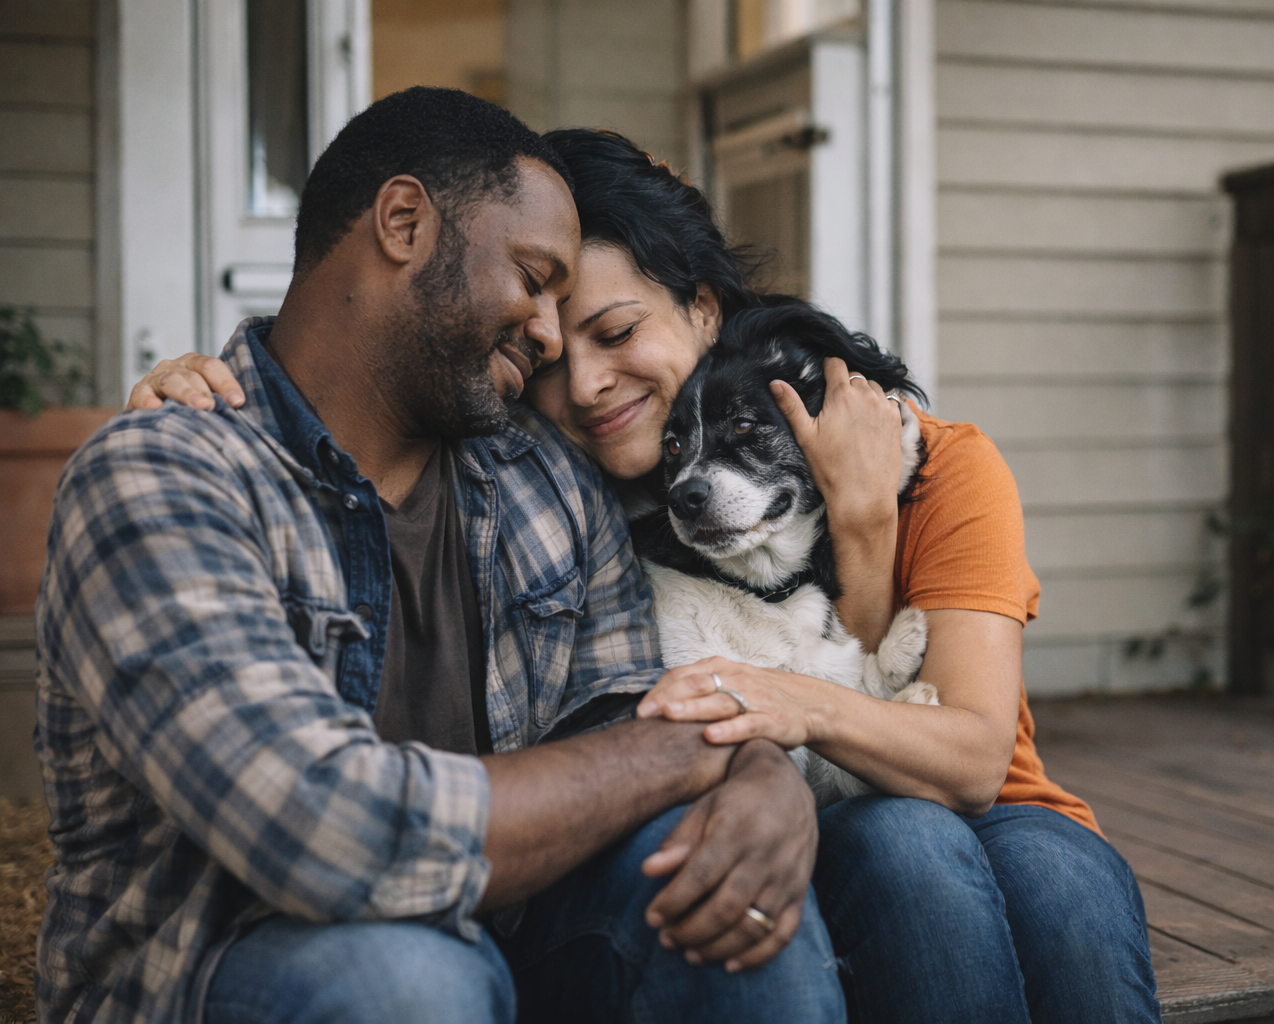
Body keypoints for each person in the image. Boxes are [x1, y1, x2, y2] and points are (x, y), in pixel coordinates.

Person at [132, 126, 1161, 1023]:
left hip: (994, 797)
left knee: (1056, 894)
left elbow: (975, 758)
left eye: (618, 333)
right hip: (828, 812)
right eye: (545, 353)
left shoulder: (930, 458)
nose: (585, 384)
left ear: (705, 312)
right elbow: (368, 370)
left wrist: (859, 516)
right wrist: (218, 378)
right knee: (904, 854)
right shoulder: (565, 479)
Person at [38, 89, 846, 1024]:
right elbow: (326, 829)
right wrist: (697, 754)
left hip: (513, 928)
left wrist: (756, 779)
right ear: (405, 221)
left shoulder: (543, 477)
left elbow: (631, 709)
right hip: (223, 959)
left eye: (580, 309)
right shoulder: (164, 478)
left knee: (724, 884)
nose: (549, 336)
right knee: (413, 984)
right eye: (534, 278)